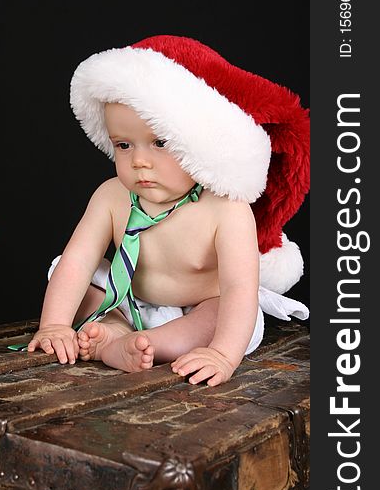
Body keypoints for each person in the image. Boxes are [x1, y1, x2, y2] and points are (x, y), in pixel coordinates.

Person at [27, 35, 310, 386]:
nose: (139, 161)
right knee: (69, 275)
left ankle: (146, 344)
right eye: (124, 145)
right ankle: (114, 332)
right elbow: (77, 261)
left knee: (228, 312)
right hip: (128, 298)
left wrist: (223, 354)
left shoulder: (225, 209)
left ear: (198, 142)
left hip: (198, 309)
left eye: (160, 143)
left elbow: (238, 287)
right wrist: (54, 324)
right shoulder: (111, 196)